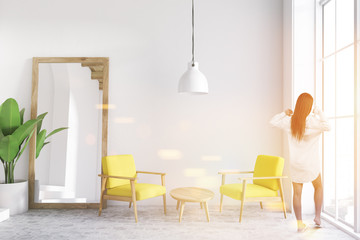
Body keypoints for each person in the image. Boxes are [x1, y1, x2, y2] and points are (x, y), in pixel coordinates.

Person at [270, 93, 330, 232]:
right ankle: (317, 217)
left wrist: (284, 113)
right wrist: (319, 112)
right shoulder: (313, 122)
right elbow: (327, 126)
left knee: (297, 194)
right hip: (311, 164)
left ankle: (299, 224)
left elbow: (272, 122)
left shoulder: (290, 121)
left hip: (296, 164)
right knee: (318, 186)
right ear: (309, 107)